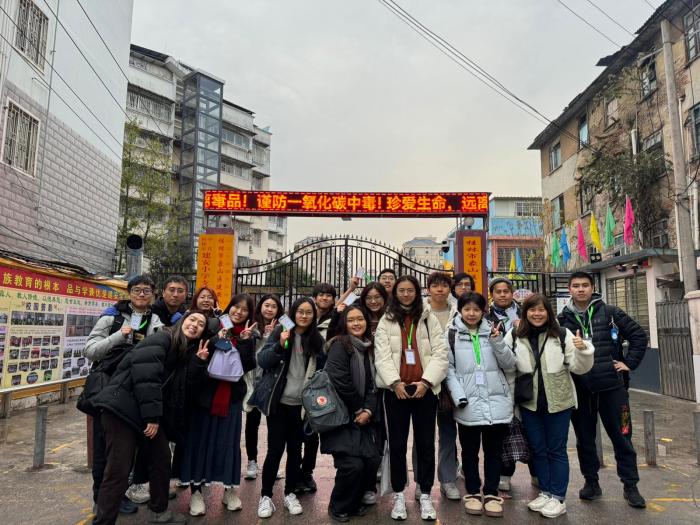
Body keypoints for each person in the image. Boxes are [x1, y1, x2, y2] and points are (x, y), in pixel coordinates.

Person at [91, 310, 212, 525]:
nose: (195, 325)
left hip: (143, 413)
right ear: (182, 321)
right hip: (122, 410)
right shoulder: (162, 338)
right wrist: (153, 417)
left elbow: (183, 388)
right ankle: (103, 521)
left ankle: (159, 511)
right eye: (192, 319)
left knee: (161, 458)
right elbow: (147, 378)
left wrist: (199, 362)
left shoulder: (183, 351)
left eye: (201, 324)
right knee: (118, 469)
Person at [558, 271, 648, 508]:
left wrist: (629, 363)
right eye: (575, 285)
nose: (580, 289)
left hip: (613, 388)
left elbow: (638, 335)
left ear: (592, 287)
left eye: (585, 285)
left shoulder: (610, 313)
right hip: (581, 390)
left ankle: (631, 486)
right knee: (584, 440)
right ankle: (591, 483)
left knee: (622, 437)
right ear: (570, 289)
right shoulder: (561, 320)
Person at [507, 293, 594, 518]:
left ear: (549, 312)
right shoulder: (515, 335)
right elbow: (505, 364)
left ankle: (558, 497)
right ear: (525, 312)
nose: (537, 314)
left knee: (556, 450)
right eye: (532, 310)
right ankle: (545, 492)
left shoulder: (562, 334)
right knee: (538, 450)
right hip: (530, 403)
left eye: (541, 310)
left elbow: (579, 367)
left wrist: (584, 349)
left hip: (559, 401)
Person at [85, 275, 164, 514]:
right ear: (129, 293)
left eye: (147, 291)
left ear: (153, 294)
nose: (142, 294)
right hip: (107, 389)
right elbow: (90, 351)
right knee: (103, 446)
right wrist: (119, 335)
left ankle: (118, 495)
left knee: (125, 448)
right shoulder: (112, 317)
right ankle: (102, 497)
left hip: (134, 392)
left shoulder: (156, 321)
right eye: (137, 290)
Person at [374, 275, 448, 521]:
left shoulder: (429, 319)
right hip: (396, 392)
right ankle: (398, 494)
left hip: (424, 390)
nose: (406, 294)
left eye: (410, 290)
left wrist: (427, 382)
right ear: (395, 293)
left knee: (426, 443)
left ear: (417, 292)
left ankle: (425, 493)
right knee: (396, 443)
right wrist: (394, 382)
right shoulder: (386, 319)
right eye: (401, 290)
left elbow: (440, 354)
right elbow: (381, 356)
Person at [178, 294, 258, 516]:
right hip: (204, 397)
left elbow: (248, 365)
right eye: (236, 307)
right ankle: (196, 492)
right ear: (229, 308)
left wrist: (243, 341)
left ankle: (229, 490)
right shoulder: (213, 325)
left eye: (244, 309)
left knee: (228, 444)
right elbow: (197, 353)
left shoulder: (248, 333)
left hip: (230, 398)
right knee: (200, 442)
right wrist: (216, 339)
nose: (238, 312)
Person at [445, 291, 516, 518]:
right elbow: (449, 371)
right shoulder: (452, 334)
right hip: (468, 404)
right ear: (460, 310)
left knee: (494, 452)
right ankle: (474, 492)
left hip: (497, 402)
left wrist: (497, 342)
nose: (472, 313)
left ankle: (492, 493)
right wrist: (459, 397)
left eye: (476, 309)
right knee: (469, 452)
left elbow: (510, 364)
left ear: (483, 310)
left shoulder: (495, 331)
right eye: (467, 309)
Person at [256, 298, 325, 518]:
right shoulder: (281, 332)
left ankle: (289, 492)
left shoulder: (316, 340)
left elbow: (322, 373)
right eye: (300, 312)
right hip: (279, 403)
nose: (304, 316)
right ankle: (266, 495)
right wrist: (278, 344)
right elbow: (263, 360)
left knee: (296, 451)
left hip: (302, 407)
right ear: (293, 313)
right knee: (275, 450)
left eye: (308, 313)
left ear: (313, 316)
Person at [322, 305, 381, 522]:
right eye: (351, 320)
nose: (356, 324)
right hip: (341, 416)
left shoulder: (368, 347)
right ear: (344, 323)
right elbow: (339, 380)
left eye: (360, 319)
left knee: (372, 460)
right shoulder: (340, 344)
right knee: (352, 465)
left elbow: (374, 384)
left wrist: (368, 409)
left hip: (363, 415)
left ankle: (354, 502)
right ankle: (338, 505)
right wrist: (359, 408)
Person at [419, 272, 460, 501]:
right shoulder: (419, 313)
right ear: (429, 289)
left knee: (447, 432)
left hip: (450, 380)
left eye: (444, 285)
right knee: (422, 434)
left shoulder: (458, 312)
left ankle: (448, 480)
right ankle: (420, 482)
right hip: (423, 379)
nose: (440, 290)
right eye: (435, 286)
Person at [294, 283, 336, 494]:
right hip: (293, 386)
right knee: (294, 433)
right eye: (321, 295)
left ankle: (307, 472)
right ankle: (294, 472)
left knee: (311, 432)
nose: (324, 298)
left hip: (317, 385)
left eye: (329, 295)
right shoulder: (298, 323)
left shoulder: (335, 320)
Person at [244, 293, 284, 481]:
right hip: (253, 380)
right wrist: (262, 336)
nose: (269, 309)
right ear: (260, 307)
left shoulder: (283, 326)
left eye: (273, 306)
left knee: (273, 425)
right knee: (252, 422)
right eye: (266, 305)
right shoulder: (251, 325)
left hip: (272, 380)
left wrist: (274, 336)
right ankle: (252, 460)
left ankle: (272, 464)